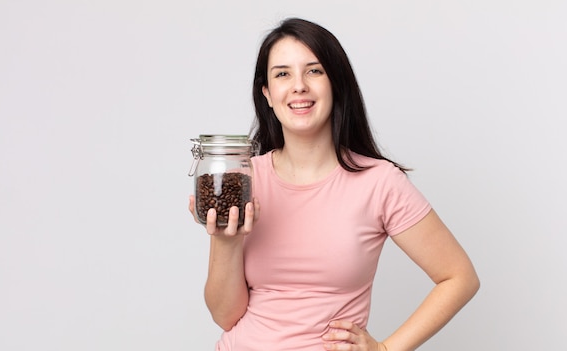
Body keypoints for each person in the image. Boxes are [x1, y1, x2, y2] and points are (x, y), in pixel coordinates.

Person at [189, 17, 480, 351]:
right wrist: (226, 242)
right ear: (267, 93)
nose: (298, 86)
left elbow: (459, 277)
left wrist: (386, 349)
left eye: (314, 71)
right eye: (283, 74)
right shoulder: (244, 179)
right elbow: (226, 316)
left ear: (336, 84)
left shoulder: (379, 183)